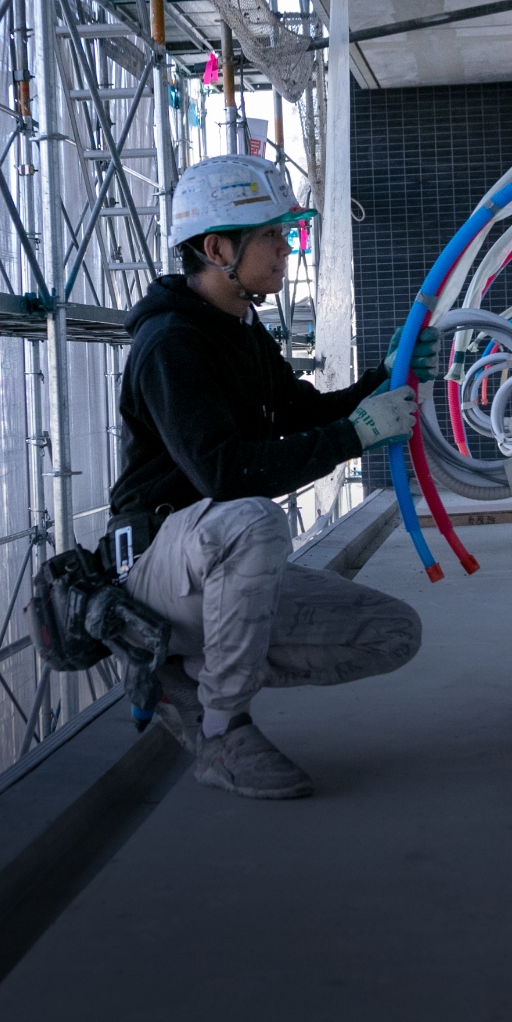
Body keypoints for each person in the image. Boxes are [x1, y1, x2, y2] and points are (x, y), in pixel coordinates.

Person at [108, 154, 437, 800]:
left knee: (394, 634)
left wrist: (386, 375)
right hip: (155, 568)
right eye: (272, 235)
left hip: (210, 566)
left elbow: (303, 413)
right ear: (217, 248)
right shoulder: (171, 344)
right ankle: (224, 732)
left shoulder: (239, 330)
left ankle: (181, 674)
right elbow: (226, 473)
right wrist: (358, 435)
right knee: (254, 515)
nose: (287, 249)